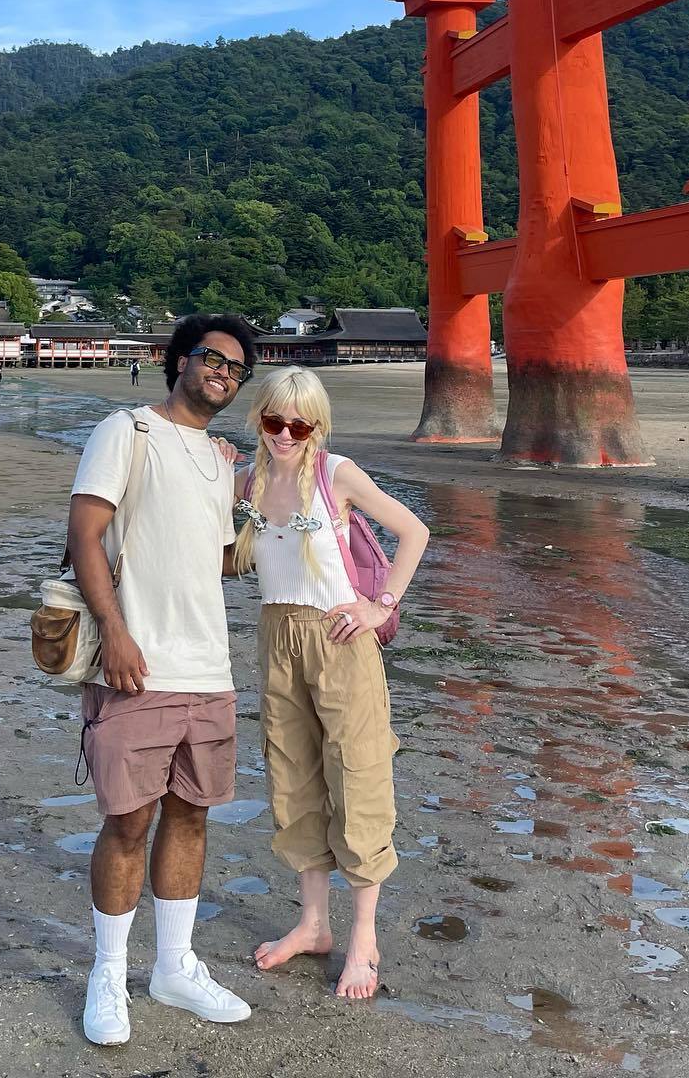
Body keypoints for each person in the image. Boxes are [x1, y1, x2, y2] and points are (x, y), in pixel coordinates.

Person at [68, 312, 258, 1048]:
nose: (223, 372)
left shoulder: (218, 459)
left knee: (192, 814)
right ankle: (109, 973)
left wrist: (265, 498)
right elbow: (85, 534)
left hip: (209, 667)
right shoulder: (128, 430)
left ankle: (174, 966)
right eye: (212, 357)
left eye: (236, 368)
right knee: (127, 821)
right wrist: (115, 630)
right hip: (137, 664)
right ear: (180, 360)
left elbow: (216, 562)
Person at [233, 366, 430, 1002]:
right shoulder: (247, 481)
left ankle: (363, 938)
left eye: (301, 425)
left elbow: (414, 531)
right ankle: (314, 925)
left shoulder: (336, 474)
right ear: (259, 418)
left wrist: (381, 605)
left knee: (357, 775)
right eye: (275, 421)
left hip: (340, 639)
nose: (286, 435)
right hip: (277, 637)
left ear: (318, 426)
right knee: (292, 776)